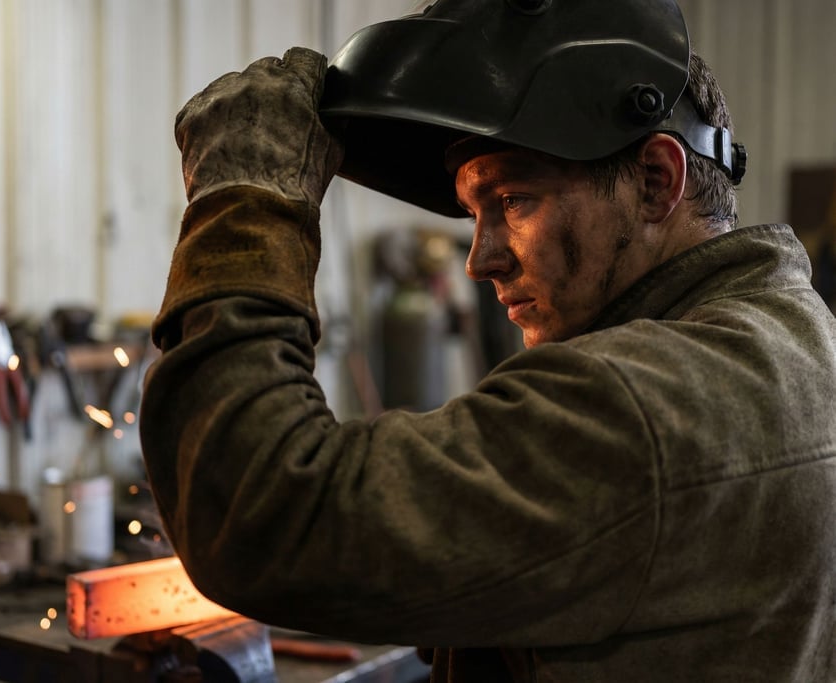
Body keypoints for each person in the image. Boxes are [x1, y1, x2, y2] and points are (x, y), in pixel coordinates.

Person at [139, 0, 836, 680]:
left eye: (512, 200)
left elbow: (256, 512)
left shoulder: (643, 400)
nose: (479, 259)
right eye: (476, 212)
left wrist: (244, 205)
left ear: (654, 182)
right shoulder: (800, 337)